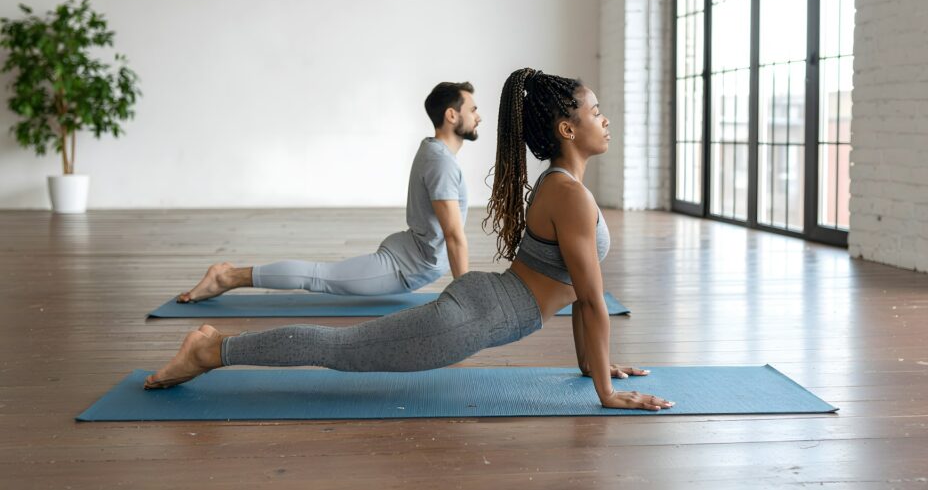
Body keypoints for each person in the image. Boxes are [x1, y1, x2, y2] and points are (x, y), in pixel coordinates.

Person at [145, 68, 673, 412]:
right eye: (595, 109)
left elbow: (582, 297)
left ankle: (214, 345)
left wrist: (595, 368)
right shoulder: (571, 196)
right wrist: (606, 393)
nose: (604, 119)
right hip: (471, 319)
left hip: (482, 305)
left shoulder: (565, 187)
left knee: (343, 347)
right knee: (341, 349)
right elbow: (589, 300)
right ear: (566, 128)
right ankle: (212, 350)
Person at [175, 81, 480, 302]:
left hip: (410, 256)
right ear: (451, 116)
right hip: (403, 267)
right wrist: (466, 301)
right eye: (473, 109)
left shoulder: (435, 151)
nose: (478, 116)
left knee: (320, 275)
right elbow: (454, 237)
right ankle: (226, 277)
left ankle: (227, 274)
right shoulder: (441, 163)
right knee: (318, 277)